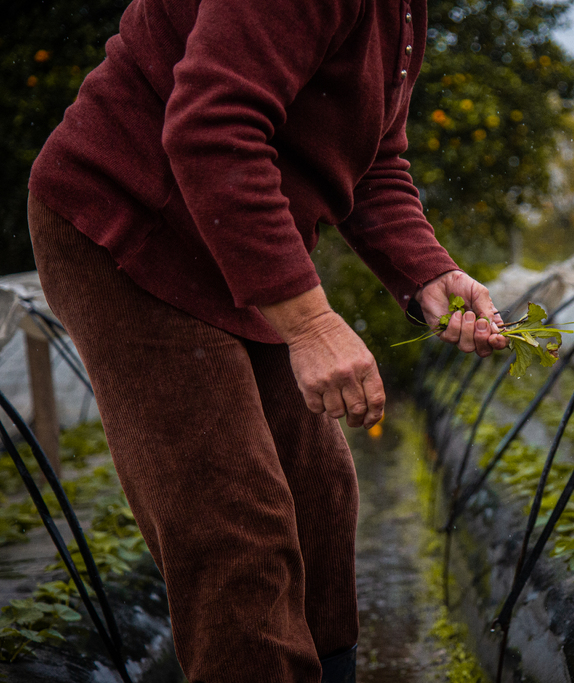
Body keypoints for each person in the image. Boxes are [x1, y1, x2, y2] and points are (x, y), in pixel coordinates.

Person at [26, 1, 506, 681]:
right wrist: (310, 323)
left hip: (227, 234)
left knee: (321, 495)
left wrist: (427, 270)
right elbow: (212, 128)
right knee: (235, 531)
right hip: (131, 225)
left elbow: (370, 162)